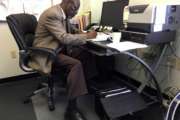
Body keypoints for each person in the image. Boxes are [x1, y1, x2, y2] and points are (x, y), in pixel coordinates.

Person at [28, 0, 97, 120]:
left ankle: (85, 87)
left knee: (87, 54)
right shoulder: (53, 14)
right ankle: (71, 110)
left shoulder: (63, 14)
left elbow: (69, 31)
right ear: (67, 3)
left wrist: (81, 33)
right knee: (76, 64)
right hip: (47, 53)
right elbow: (64, 38)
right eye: (75, 8)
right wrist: (86, 37)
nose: (76, 12)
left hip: (57, 49)